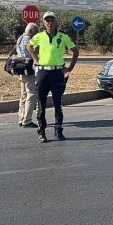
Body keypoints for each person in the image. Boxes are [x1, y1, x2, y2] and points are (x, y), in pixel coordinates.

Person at [27, 12, 79, 143]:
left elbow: (75, 51)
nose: (50, 23)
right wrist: (35, 59)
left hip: (57, 73)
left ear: (56, 22)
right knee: (41, 104)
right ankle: (42, 132)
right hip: (43, 73)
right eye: (47, 21)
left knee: (57, 103)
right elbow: (29, 45)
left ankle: (58, 130)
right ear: (44, 23)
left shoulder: (63, 37)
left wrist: (70, 68)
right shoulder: (39, 36)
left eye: (52, 20)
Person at [16, 22, 39, 128]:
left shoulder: (20, 38)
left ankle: (21, 118)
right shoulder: (28, 40)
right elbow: (30, 54)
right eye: (35, 32)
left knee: (23, 95)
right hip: (28, 70)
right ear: (31, 31)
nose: (36, 35)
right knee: (31, 94)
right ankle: (27, 120)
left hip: (20, 69)